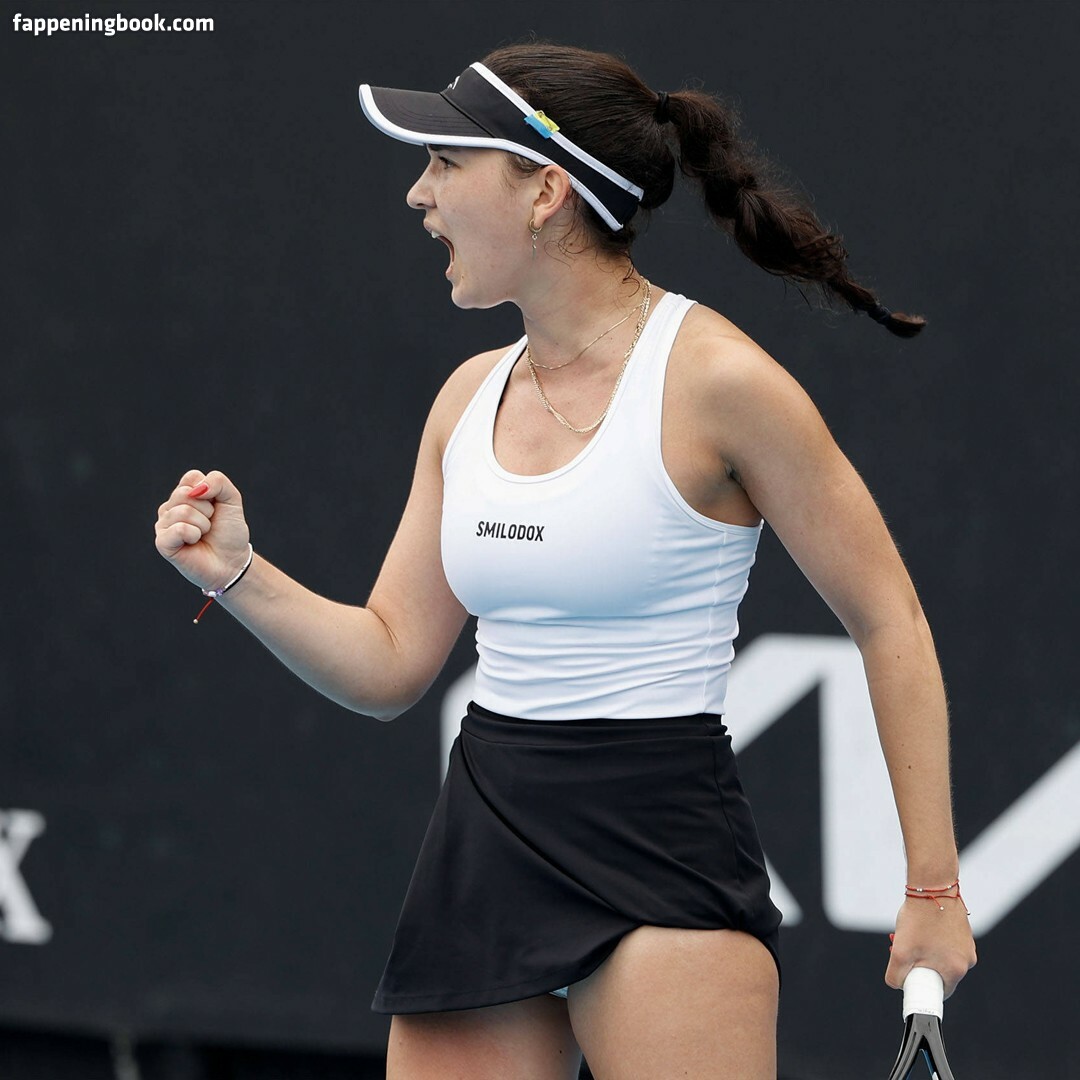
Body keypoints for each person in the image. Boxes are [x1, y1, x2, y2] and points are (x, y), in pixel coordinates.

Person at [154, 42, 976, 1080]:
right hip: (485, 835)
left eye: (445, 163)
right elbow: (389, 661)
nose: (417, 194)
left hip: (661, 846)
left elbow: (890, 620)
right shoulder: (464, 400)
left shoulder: (723, 384)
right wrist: (236, 572)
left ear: (544, 192)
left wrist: (933, 889)